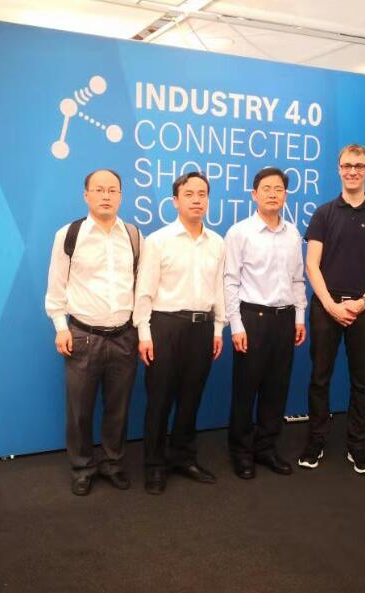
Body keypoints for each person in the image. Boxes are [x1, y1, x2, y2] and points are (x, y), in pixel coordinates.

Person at [45, 169, 141, 496]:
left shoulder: (133, 235)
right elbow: (56, 287)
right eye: (99, 190)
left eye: (112, 190)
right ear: (86, 195)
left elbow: (140, 287)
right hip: (83, 337)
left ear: (121, 196)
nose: (106, 196)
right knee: (79, 411)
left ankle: (113, 463)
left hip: (125, 337)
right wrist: (61, 327)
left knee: (118, 408)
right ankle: (82, 467)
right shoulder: (69, 234)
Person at [301, 144, 365, 475]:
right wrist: (330, 305)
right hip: (325, 307)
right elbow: (312, 264)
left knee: (362, 381)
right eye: (347, 165)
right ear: (339, 169)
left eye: (358, 165)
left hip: (364, 309)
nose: (352, 171)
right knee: (319, 378)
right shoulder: (324, 213)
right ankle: (315, 441)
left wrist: (362, 302)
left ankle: (358, 445)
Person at [133, 171, 226, 495]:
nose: (197, 200)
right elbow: (144, 291)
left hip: (203, 328)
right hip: (165, 327)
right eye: (189, 194)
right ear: (175, 201)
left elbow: (218, 288)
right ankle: (154, 466)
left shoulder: (217, 242)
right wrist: (144, 333)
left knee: (191, 398)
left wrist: (218, 328)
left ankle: (184, 458)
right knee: (159, 400)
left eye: (202, 194)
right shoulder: (158, 241)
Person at [223, 167, 307, 480]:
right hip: (252, 319)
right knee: (246, 389)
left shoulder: (293, 233)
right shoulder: (239, 232)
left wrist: (299, 317)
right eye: (266, 189)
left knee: (276, 388)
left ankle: (266, 448)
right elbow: (230, 281)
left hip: (285, 318)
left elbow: (298, 279)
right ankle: (241, 452)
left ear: (285, 195)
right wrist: (236, 324)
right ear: (254, 194)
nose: (273, 194)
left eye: (279, 189)